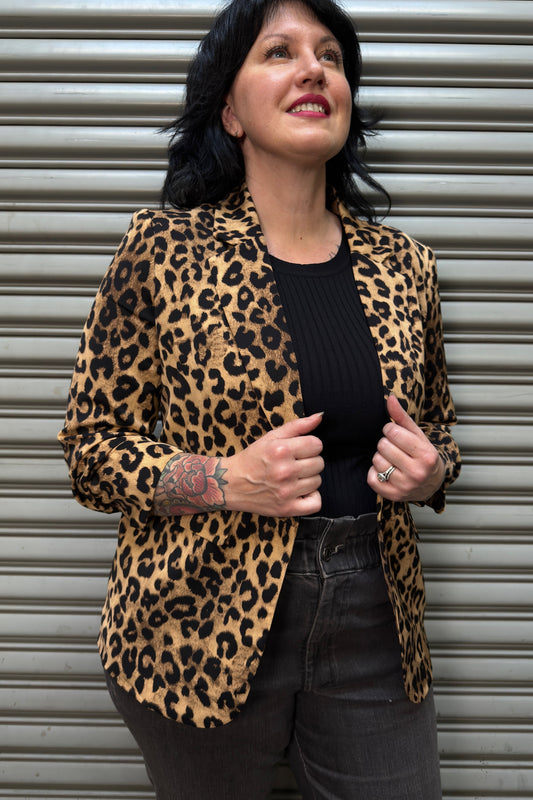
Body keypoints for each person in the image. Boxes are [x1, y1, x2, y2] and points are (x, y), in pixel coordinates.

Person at [58, 0, 461, 797]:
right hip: (195, 621)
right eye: (279, 52)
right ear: (230, 113)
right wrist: (225, 480)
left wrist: (431, 472)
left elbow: (439, 431)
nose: (314, 70)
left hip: (372, 614)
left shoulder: (404, 266)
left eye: (331, 57)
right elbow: (90, 449)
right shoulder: (163, 250)